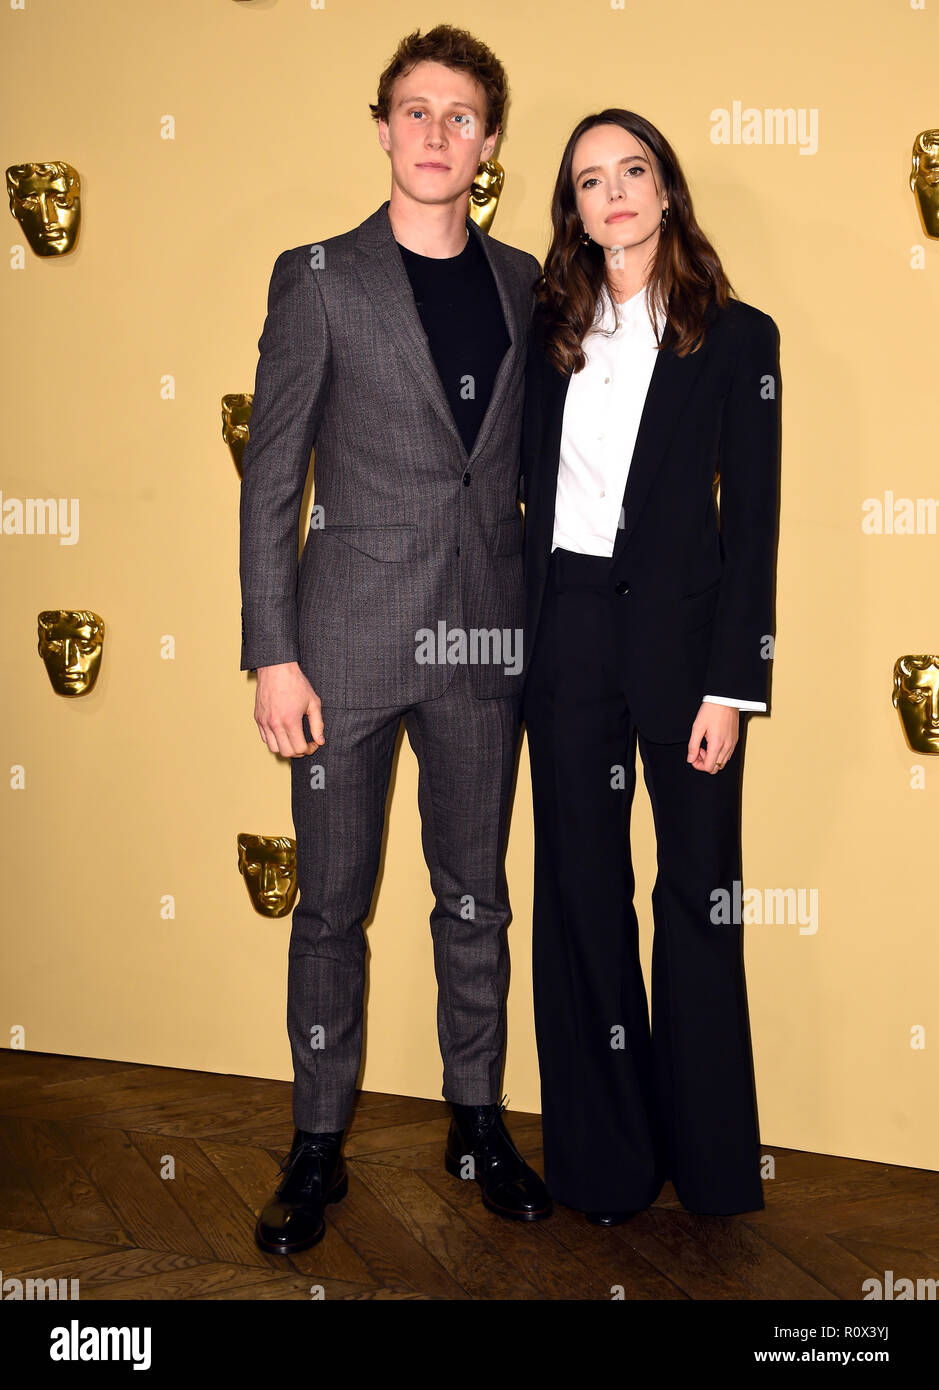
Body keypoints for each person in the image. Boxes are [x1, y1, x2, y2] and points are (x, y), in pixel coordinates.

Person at [239, 25, 549, 1254]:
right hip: (345, 642)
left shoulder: (528, 279)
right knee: (330, 906)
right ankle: (319, 1142)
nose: (435, 134)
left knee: (476, 897)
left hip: (486, 642)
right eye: (415, 112)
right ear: (382, 127)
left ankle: (476, 1118)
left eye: (460, 115)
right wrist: (273, 652)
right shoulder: (316, 276)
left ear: (487, 143)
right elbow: (272, 479)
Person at [521, 109, 781, 1223]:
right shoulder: (550, 334)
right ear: (574, 210)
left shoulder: (738, 337)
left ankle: (714, 1164)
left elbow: (753, 523)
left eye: (633, 171)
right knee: (581, 889)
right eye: (591, 180)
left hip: (686, 649)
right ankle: (605, 1162)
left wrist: (732, 684)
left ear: (666, 191)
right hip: (569, 628)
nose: (614, 191)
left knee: (698, 891)